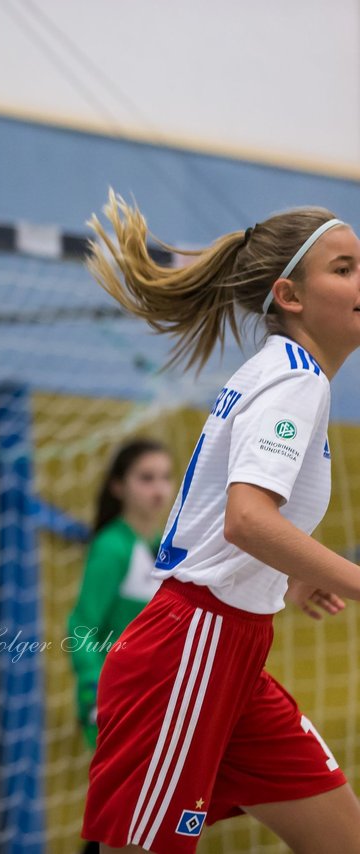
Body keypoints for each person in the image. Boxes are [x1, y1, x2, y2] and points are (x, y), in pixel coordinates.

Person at [79, 191, 360, 854]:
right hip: (192, 645)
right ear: (290, 295)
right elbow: (245, 521)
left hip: (232, 649)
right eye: (344, 268)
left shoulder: (290, 375)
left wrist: (291, 573)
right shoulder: (296, 378)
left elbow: (234, 520)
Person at [68, 438, 175, 750]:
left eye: (165, 477)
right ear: (118, 486)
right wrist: (94, 688)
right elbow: (81, 625)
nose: (159, 489)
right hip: (117, 698)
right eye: (146, 478)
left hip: (158, 696)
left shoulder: (168, 546)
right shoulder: (111, 547)